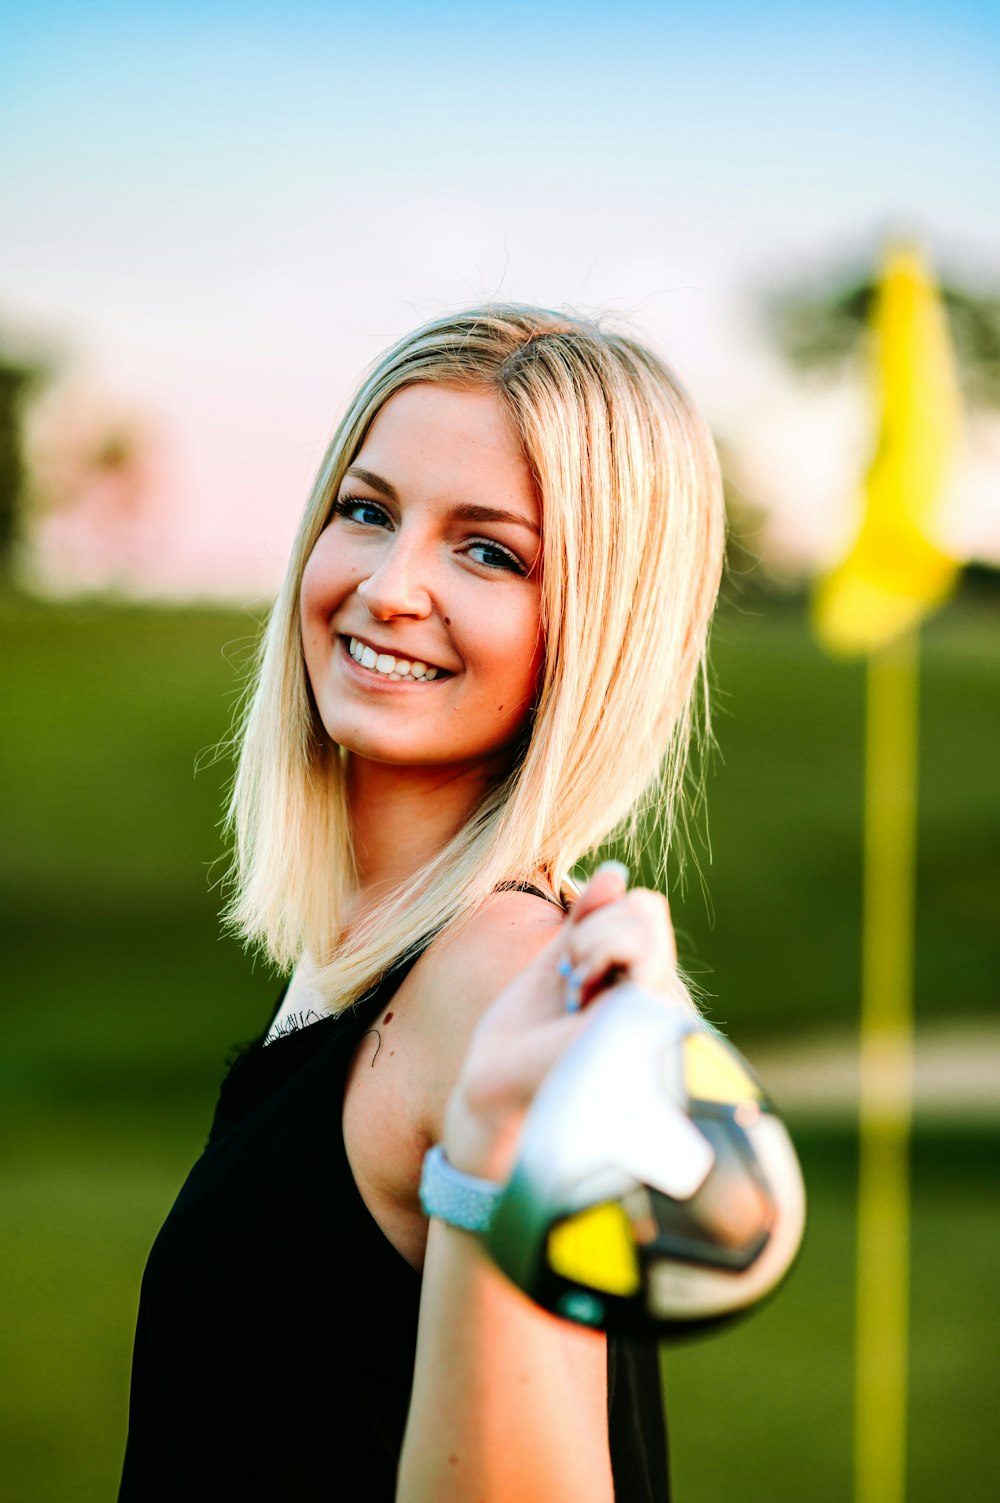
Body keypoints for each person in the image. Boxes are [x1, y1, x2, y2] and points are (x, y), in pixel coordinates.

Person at [117, 303, 726, 1502]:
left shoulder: (502, 982)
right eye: (367, 510)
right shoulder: (378, 963)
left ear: (594, 632)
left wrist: (503, 1140)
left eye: (488, 551)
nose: (390, 588)